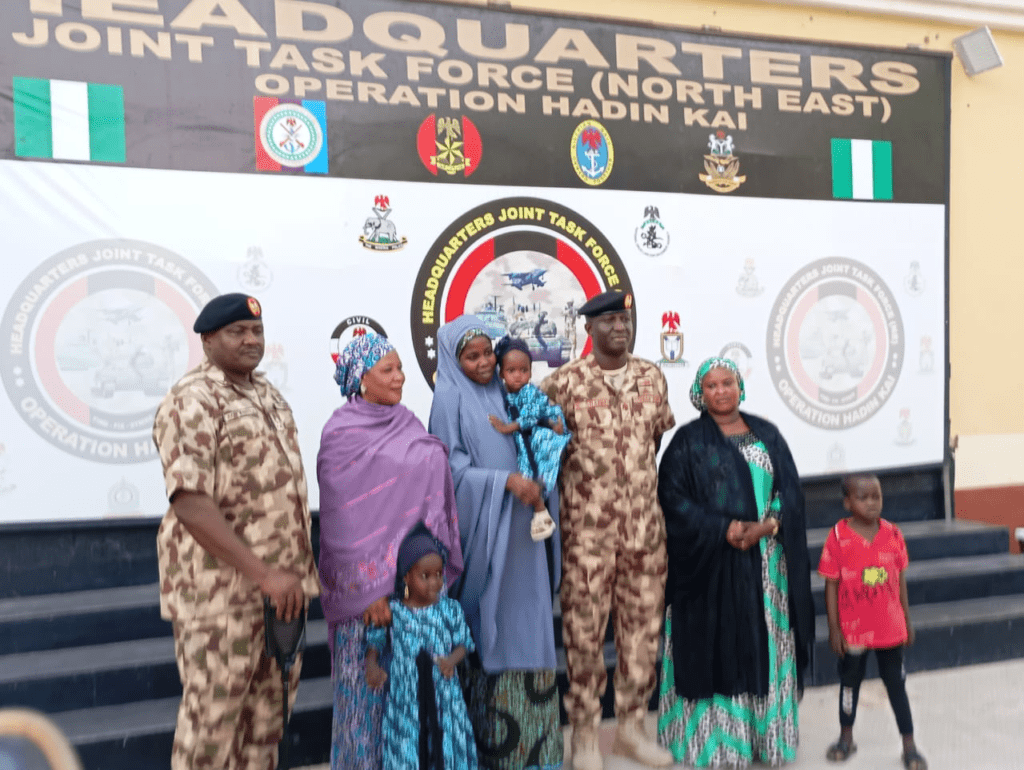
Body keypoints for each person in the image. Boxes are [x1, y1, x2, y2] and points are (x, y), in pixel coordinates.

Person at [152, 293, 320, 770]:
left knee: (265, 726)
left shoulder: (266, 394)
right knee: (212, 726)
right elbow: (189, 502)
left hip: (279, 595)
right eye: (237, 332)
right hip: (221, 598)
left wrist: (286, 578)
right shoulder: (192, 399)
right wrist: (263, 573)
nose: (251, 340)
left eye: (257, 331)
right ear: (207, 341)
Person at [656, 357, 814, 768]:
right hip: (709, 571)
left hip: (767, 571)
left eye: (728, 382)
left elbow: (790, 492)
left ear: (740, 387)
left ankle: (766, 739)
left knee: (765, 648)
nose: (721, 391)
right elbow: (672, 501)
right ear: (699, 393)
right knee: (715, 649)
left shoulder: (767, 435)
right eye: (711, 385)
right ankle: (718, 746)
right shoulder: (686, 443)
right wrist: (724, 529)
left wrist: (767, 526)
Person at [541, 290, 675, 770]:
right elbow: (545, 453)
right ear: (589, 329)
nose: (620, 327)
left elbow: (652, 443)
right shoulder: (562, 384)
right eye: (610, 320)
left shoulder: (651, 378)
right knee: (584, 638)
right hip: (588, 539)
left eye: (625, 319)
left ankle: (633, 729)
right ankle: (585, 736)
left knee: (643, 634)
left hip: (644, 535)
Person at [317, 332, 463, 770]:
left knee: (413, 711)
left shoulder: (410, 423)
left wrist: (417, 585)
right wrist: (373, 593)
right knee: (365, 706)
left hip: (414, 600)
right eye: (388, 370)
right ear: (361, 381)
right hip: (369, 608)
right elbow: (344, 529)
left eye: (400, 367)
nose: (400, 377)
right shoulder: (340, 434)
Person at [428, 316, 563, 770]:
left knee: (533, 629)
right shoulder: (448, 399)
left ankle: (538, 755)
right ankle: (500, 756)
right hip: (491, 539)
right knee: (497, 631)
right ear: (453, 358)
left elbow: (532, 433)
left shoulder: (506, 390)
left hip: (526, 534)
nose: (485, 363)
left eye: (488, 353)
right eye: (472, 356)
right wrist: (505, 482)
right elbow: (450, 472)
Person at [818, 474, 927, 770]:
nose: (871, 503)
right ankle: (846, 737)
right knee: (849, 685)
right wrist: (834, 629)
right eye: (863, 498)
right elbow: (830, 584)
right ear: (847, 502)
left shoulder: (892, 534)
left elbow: (898, 578)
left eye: (876, 497)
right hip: (852, 631)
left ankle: (909, 744)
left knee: (896, 685)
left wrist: (907, 619)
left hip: (889, 628)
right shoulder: (838, 537)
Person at [365, 522, 478, 770]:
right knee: (409, 754)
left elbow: (464, 643)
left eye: (439, 575)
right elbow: (375, 641)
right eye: (424, 576)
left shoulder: (449, 610)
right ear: (406, 577)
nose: (434, 583)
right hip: (406, 700)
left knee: (444, 753)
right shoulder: (395, 612)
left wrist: (451, 660)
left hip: (445, 699)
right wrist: (372, 665)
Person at [487, 336, 571, 542]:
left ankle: (541, 513)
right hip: (531, 436)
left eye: (524, 370)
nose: (518, 376)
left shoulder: (529, 391)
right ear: (501, 373)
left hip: (543, 438)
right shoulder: (504, 395)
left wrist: (508, 427)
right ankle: (540, 514)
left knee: (533, 473)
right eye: (511, 371)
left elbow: (532, 416)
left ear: (531, 372)